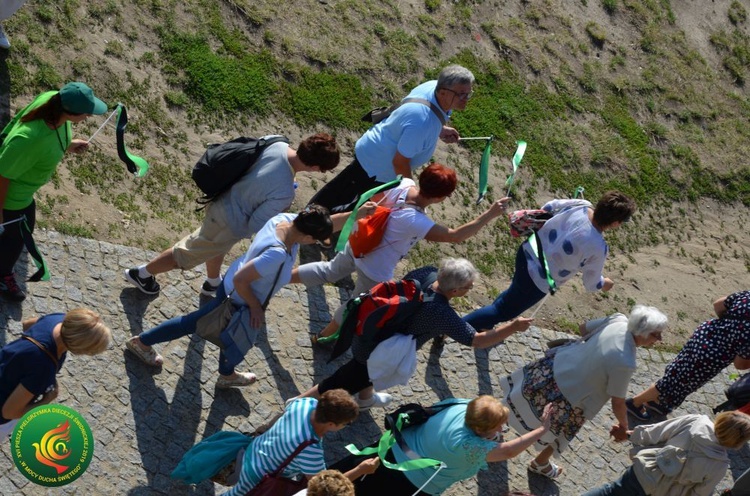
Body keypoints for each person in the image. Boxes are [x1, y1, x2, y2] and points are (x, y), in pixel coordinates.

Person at [125, 204, 370, 388]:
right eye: (316, 240)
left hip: (233, 288)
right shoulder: (277, 254)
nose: (316, 243)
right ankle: (142, 342)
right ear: (307, 238)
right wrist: (255, 307)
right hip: (239, 296)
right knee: (198, 324)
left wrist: (354, 215)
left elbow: (321, 224)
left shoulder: (285, 220)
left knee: (233, 334)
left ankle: (226, 374)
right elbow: (243, 279)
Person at [294, 164, 510, 343]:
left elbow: (377, 199)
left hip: (359, 242)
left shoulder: (404, 183)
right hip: (375, 270)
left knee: (328, 270)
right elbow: (454, 236)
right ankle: (322, 336)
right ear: (441, 198)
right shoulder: (417, 222)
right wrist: (489, 214)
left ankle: (280, 275)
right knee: (355, 306)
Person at [291, 259, 532, 410]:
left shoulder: (426, 273)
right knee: (334, 384)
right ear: (456, 290)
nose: (470, 291)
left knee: (367, 377)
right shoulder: (441, 312)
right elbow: (477, 341)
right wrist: (512, 327)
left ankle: (365, 400)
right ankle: (290, 409)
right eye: (469, 288)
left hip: (369, 332)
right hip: (376, 353)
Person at [124, 133, 340, 297]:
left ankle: (212, 282)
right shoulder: (284, 191)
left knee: (215, 247)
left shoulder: (276, 143)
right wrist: (281, 214)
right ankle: (141, 274)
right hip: (228, 222)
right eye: (320, 170)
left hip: (221, 200)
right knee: (186, 253)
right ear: (313, 166)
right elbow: (256, 223)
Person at [501, 305, 668, 479]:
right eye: (657, 335)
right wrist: (624, 426)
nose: (659, 339)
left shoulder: (617, 319)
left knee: (518, 398)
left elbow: (583, 328)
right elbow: (617, 401)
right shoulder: (625, 362)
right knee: (561, 432)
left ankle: (492, 427)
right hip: (573, 398)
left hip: (557, 366)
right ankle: (540, 463)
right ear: (642, 332)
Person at [307, 65, 474, 213]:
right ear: (443, 92)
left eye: (468, 93)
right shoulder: (422, 123)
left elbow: (413, 120)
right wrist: (409, 190)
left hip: (378, 156)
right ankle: (310, 220)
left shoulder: (433, 89)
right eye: (461, 94)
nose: (466, 99)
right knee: (340, 195)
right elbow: (400, 162)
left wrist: (440, 129)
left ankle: (333, 226)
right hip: (375, 166)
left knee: (362, 202)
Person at [463, 191, 636, 331]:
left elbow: (550, 206)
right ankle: (454, 327)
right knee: (501, 311)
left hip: (526, 253)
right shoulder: (598, 247)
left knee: (512, 293)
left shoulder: (582, 205)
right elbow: (590, 283)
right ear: (615, 223)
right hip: (538, 281)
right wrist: (604, 283)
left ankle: (485, 325)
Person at [0, 82, 107, 301]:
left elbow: (49, 142)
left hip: (23, 195)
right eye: (86, 112)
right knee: (18, 237)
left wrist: (68, 144)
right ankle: (2, 276)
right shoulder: (28, 139)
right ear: (71, 111)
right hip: (12, 200)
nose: (88, 116)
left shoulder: (53, 100)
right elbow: (2, 175)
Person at [331, 396, 553, 495]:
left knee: (339, 481)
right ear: (481, 430)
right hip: (405, 482)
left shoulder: (463, 405)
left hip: (385, 451)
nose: (501, 431)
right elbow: (509, 451)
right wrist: (542, 430)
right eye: (499, 428)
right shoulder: (465, 444)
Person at [223, 389, 379, 496]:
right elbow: (324, 488)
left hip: (254, 448)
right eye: (347, 423)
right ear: (331, 424)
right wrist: (360, 470)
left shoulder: (304, 404)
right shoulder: (311, 450)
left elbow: (280, 416)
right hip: (256, 476)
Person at [627, 290, 750, 419]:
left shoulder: (748, 295)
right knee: (672, 382)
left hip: (704, 335)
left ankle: (659, 402)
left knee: (677, 372)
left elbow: (718, 305)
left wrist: (726, 328)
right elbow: (740, 364)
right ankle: (634, 403)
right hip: (709, 357)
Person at [0, 308, 112, 436]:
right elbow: (9, 412)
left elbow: (27, 325)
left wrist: (24, 359)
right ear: (80, 347)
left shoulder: (58, 319)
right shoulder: (43, 367)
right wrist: (46, 400)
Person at [582, 411, 750, 496]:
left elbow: (655, 432)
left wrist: (627, 434)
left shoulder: (696, 421)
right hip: (663, 493)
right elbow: (698, 494)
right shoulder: (720, 466)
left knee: (610, 492)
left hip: (645, 472)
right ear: (738, 442)